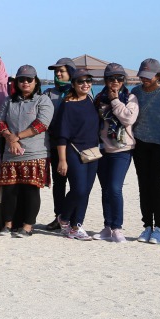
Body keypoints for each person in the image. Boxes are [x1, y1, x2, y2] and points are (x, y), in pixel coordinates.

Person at [0, 65, 54, 238]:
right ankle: (8, 225)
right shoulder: (8, 101)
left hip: (35, 152)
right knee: (9, 190)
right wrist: (10, 139)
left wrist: (17, 137)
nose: (25, 82)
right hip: (11, 152)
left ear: (36, 82)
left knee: (30, 191)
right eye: (21, 80)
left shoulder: (43, 100)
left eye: (29, 79)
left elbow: (41, 124)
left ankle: (27, 226)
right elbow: (0, 123)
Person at [131, 58, 160, 244]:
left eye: (148, 76)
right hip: (140, 145)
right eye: (142, 76)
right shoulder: (135, 92)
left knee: (157, 187)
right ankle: (147, 226)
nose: (144, 79)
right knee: (143, 186)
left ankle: (159, 227)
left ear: (158, 76)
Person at [93, 63, 139, 243]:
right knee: (105, 189)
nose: (115, 81)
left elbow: (128, 118)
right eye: (111, 78)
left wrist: (115, 101)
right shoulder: (99, 98)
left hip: (122, 149)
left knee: (114, 188)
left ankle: (117, 227)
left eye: (119, 78)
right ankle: (107, 226)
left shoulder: (130, 98)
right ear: (105, 80)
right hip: (102, 149)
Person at [54, 67, 100, 241]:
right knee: (78, 189)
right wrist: (62, 160)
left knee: (86, 191)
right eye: (81, 81)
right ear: (73, 84)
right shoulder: (67, 105)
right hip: (74, 151)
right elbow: (61, 136)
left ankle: (76, 226)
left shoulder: (91, 100)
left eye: (88, 81)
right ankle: (64, 217)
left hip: (92, 152)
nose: (85, 84)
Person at [42, 57, 75, 230]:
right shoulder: (49, 93)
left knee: (76, 184)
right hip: (55, 145)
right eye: (56, 72)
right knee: (59, 183)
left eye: (62, 71)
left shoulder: (79, 90)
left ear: (71, 72)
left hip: (75, 146)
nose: (58, 74)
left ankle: (73, 218)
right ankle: (59, 216)